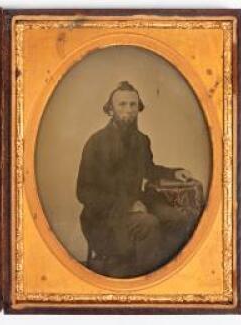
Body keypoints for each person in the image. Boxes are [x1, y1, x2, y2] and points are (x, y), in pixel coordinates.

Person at [76, 81, 194, 278]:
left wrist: (174, 173)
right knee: (148, 223)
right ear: (110, 109)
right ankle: (143, 281)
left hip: (136, 205)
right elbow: (84, 192)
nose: (128, 110)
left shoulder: (141, 140)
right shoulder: (95, 142)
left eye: (133, 105)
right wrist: (127, 205)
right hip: (102, 219)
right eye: (122, 104)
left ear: (138, 108)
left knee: (179, 218)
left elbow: (148, 169)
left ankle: (163, 274)